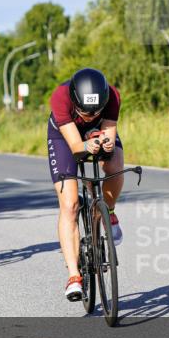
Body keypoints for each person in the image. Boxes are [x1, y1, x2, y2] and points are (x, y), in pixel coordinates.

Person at [47, 67, 124, 301]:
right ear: (74, 100)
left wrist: (107, 145)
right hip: (65, 135)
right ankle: (73, 276)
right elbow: (75, 147)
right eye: (85, 111)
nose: (90, 115)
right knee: (69, 204)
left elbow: (108, 132)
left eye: (95, 111)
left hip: (96, 133)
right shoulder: (60, 98)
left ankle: (108, 210)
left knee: (114, 166)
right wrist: (85, 147)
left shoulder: (112, 95)